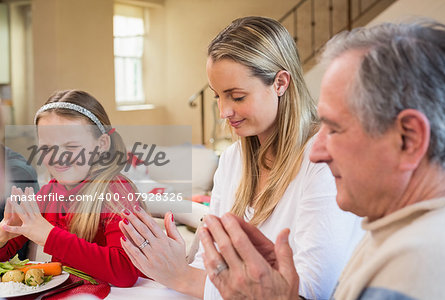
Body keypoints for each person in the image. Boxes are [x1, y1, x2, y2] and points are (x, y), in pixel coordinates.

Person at [200, 19, 445, 299]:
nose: (316, 151)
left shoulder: (418, 265)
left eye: (334, 128)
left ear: (409, 138)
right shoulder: (392, 238)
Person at [119, 16, 363, 299]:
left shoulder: (322, 161)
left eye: (236, 96)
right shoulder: (233, 159)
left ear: (281, 83)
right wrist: (178, 265)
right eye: (217, 97)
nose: (223, 111)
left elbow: (309, 291)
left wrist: (181, 276)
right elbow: (210, 266)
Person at [0, 90, 141, 287]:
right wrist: (4, 235)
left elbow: (125, 272)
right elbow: (4, 258)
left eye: (72, 146)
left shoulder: (117, 192)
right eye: (47, 148)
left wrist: (49, 236)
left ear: (101, 145)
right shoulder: (48, 194)